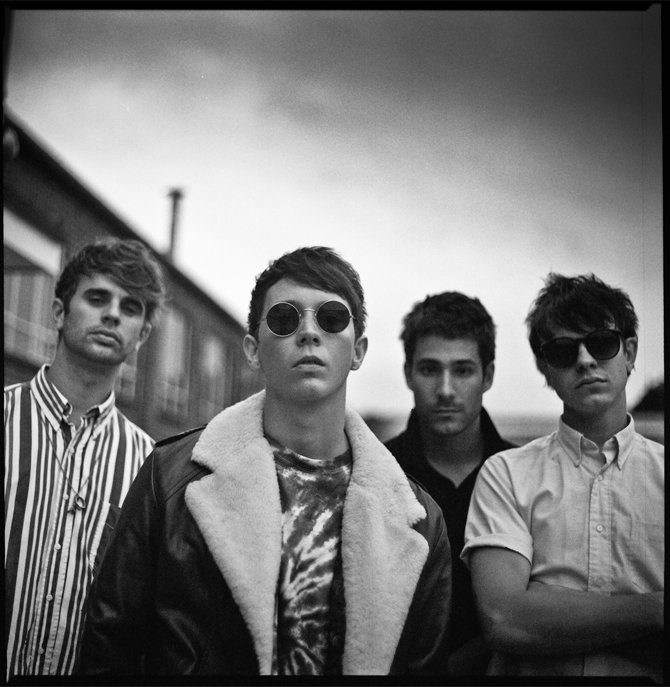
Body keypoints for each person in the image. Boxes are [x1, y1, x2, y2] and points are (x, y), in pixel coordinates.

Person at [77, 246, 451, 676]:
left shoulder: (419, 522)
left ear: (359, 350)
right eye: (284, 319)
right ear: (253, 350)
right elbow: (110, 648)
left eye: (331, 318)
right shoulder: (172, 478)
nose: (308, 332)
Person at [462, 273, 664, 680]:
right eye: (563, 350)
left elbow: (521, 618)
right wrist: (656, 609)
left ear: (629, 352)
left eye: (601, 343)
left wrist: (549, 609)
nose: (585, 360)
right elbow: (505, 618)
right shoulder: (507, 474)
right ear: (545, 369)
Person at [4, 238, 167, 679]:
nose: (112, 314)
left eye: (130, 307)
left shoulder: (150, 466)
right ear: (59, 312)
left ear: (142, 335)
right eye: (97, 298)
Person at [385, 291, 514, 674]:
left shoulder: (524, 477)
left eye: (462, 371)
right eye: (429, 369)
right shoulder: (376, 474)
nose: (445, 389)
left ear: (487, 376)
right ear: (408, 373)